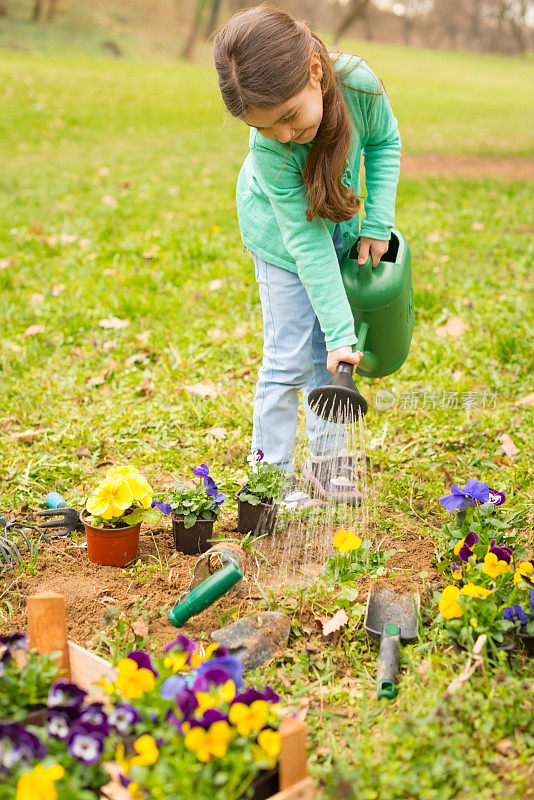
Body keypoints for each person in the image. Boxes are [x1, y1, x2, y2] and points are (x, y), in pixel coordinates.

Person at [213, 5, 401, 504]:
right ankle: (270, 479)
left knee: (328, 353)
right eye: (266, 127)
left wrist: (378, 223)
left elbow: (385, 141)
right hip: (283, 242)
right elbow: (307, 245)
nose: (281, 135)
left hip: (338, 222)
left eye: (289, 117)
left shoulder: (358, 85)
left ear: (315, 72)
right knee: (289, 356)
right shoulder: (271, 149)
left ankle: (328, 462)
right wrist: (342, 333)